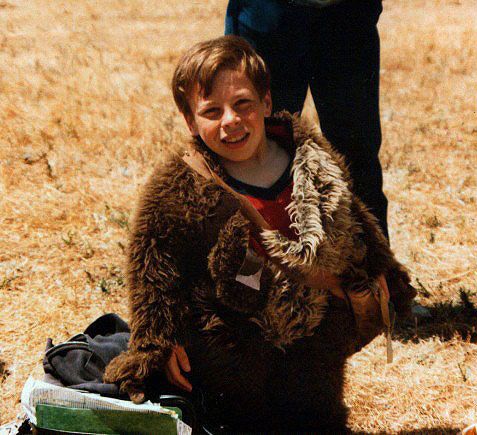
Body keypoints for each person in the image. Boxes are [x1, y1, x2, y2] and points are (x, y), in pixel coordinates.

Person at [104, 35, 415, 431]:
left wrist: (385, 274)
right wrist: (155, 342)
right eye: (212, 111)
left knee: (315, 416)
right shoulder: (179, 183)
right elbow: (153, 265)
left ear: (266, 103)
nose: (230, 120)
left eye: (243, 104)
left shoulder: (311, 161)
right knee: (237, 414)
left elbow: (352, 221)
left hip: (311, 335)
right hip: (229, 341)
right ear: (190, 122)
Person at [225, 0, 389, 240]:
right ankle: (246, 268)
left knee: (356, 155)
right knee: (251, 147)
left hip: (347, 14)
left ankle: (374, 270)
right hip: (266, 15)